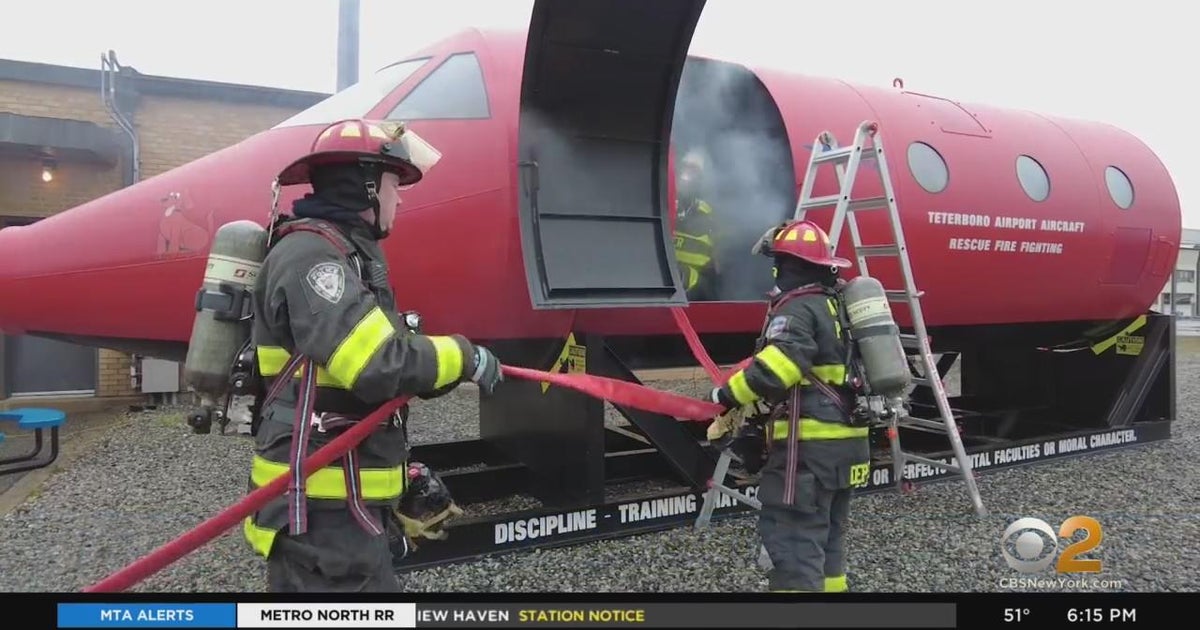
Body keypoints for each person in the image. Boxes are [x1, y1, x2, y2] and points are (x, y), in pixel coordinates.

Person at [241, 118, 504, 592]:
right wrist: (465, 357)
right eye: (391, 184)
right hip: (322, 511)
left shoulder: (343, 254)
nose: (399, 198)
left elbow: (376, 365)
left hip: (343, 501)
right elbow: (378, 366)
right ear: (364, 187)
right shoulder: (314, 259)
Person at [703, 218, 872, 593]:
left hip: (809, 453)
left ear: (786, 265)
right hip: (847, 447)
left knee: (794, 543)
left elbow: (778, 369)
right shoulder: (836, 305)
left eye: (778, 264)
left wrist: (725, 396)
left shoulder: (797, 309)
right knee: (827, 540)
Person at [673, 150, 721, 300]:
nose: (686, 174)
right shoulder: (660, 205)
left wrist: (692, 280)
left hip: (694, 298)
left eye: (694, 169)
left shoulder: (710, 214)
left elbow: (717, 267)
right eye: (684, 166)